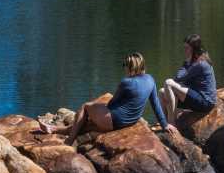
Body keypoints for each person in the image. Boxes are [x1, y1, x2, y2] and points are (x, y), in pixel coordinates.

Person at [38, 52, 177, 145]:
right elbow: (156, 104)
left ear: (131, 68)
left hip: (116, 120)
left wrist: (97, 112)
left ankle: (69, 141)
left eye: (126, 66)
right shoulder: (151, 80)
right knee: (86, 125)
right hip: (131, 121)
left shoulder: (126, 82)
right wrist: (164, 125)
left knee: (85, 107)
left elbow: (112, 103)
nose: (124, 69)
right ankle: (54, 129)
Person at [159, 34, 217, 123]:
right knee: (162, 92)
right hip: (197, 96)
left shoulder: (200, 63)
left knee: (168, 83)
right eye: (184, 48)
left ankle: (172, 123)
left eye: (187, 48)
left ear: (194, 49)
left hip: (205, 102)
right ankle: (163, 122)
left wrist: (186, 62)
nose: (184, 50)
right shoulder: (196, 60)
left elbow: (178, 78)